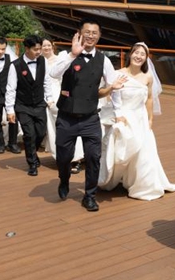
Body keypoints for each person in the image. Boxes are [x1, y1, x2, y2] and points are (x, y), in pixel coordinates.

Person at [49, 18, 122, 212]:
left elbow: (114, 86)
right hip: (67, 116)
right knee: (63, 157)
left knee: (93, 157)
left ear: (99, 36)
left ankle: (89, 195)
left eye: (94, 32)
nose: (90, 35)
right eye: (87, 32)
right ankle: (64, 180)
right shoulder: (67, 54)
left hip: (90, 117)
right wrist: (73, 55)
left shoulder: (104, 60)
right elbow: (53, 74)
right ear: (79, 33)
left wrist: (119, 111)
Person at [98, 42, 175, 200]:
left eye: (142, 54)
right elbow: (111, 96)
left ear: (146, 58)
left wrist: (150, 118)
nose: (139, 56)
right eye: (136, 53)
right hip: (123, 116)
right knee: (122, 151)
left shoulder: (147, 77)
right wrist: (119, 115)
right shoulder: (118, 74)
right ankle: (116, 177)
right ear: (130, 54)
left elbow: (149, 98)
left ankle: (143, 184)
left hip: (140, 117)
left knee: (144, 151)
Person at [5, 35, 51, 176]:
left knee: (41, 132)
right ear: (27, 48)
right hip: (23, 105)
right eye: (35, 49)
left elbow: (46, 81)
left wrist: (49, 98)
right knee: (29, 134)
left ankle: (33, 152)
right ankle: (32, 163)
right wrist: (10, 110)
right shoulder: (15, 65)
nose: (38, 52)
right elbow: (11, 88)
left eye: (40, 49)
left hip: (39, 104)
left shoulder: (43, 61)